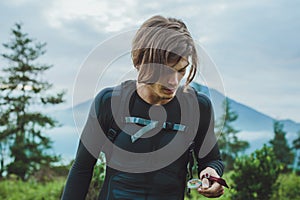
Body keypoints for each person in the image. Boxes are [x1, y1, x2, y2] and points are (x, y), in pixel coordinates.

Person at [62, 15, 225, 200]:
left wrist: (212, 174)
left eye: (181, 70)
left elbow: (212, 160)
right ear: (140, 62)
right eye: (165, 70)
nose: (174, 81)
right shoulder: (109, 102)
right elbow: (82, 168)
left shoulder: (197, 107)